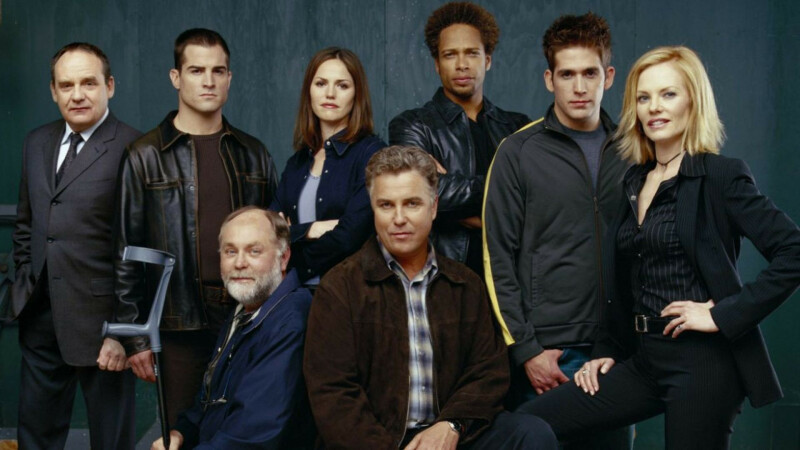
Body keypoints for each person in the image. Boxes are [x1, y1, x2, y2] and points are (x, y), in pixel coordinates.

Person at [518, 46, 800, 449]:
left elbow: (793, 252)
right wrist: (608, 349)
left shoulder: (720, 176)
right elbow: (628, 277)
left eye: (668, 94)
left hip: (704, 363)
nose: (654, 107)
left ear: (693, 101)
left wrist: (720, 314)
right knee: (526, 422)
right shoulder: (634, 180)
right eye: (643, 97)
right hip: (644, 360)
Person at [304, 146, 557, 450]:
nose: (399, 218)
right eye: (386, 205)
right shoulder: (340, 287)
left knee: (530, 433)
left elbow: (488, 373)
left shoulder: (465, 284)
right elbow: (333, 394)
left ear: (434, 207)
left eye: (412, 203)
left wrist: (452, 425)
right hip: (374, 441)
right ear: (373, 208)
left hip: (450, 435)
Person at [483, 12, 632, 448]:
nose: (579, 87)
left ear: (608, 76)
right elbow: (496, 258)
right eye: (567, 74)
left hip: (615, 352)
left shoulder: (632, 148)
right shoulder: (517, 152)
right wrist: (526, 350)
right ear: (550, 80)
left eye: (590, 73)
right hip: (550, 355)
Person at [115, 28, 278, 425]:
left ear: (229, 78)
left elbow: (277, 242)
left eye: (218, 71)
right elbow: (125, 251)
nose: (208, 81)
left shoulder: (253, 153)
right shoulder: (144, 155)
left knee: (246, 430)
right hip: (177, 321)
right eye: (196, 70)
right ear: (176, 77)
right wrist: (135, 336)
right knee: (180, 433)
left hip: (246, 314)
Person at [12, 42, 140, 449]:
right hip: (40, 318)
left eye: (89, 83)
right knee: (35, 439)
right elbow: (26, 226)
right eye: (66, 85)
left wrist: (122, 333)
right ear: (53, 91)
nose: (77, 94)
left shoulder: (135, 148)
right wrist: (23, 286)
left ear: (110, 86)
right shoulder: (36, 142)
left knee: (111, 442)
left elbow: (139, 247)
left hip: (103, 326)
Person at [151, 207, 312, 449]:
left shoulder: (291, 321)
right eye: (230, 251)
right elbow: (210, 400)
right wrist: (181, 433)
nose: (239, 263)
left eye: (254, 251)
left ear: (284, 257)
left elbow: (251, 435)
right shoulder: (244, 310)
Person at [389, 2, 530, 275]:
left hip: (511, 277)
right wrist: (507, 189)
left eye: (472, 53)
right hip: (443, 277)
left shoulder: (518, 127)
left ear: (487, 60)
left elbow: (535, 201)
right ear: (437, 64)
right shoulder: (412, 126)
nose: (462, 64)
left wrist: (447, 194)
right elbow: (418, 197)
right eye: (450, 54)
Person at [270, 47, 386, 286]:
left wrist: (293, 239)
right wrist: (311, 229)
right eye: (321, 83)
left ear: (356, 95)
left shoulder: (371, 154)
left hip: (349, 291)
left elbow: (350, 237)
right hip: (296, 292)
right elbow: (269, 232)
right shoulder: (297, 163)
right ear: (309, 91)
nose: (330, 94)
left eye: (342, 86)